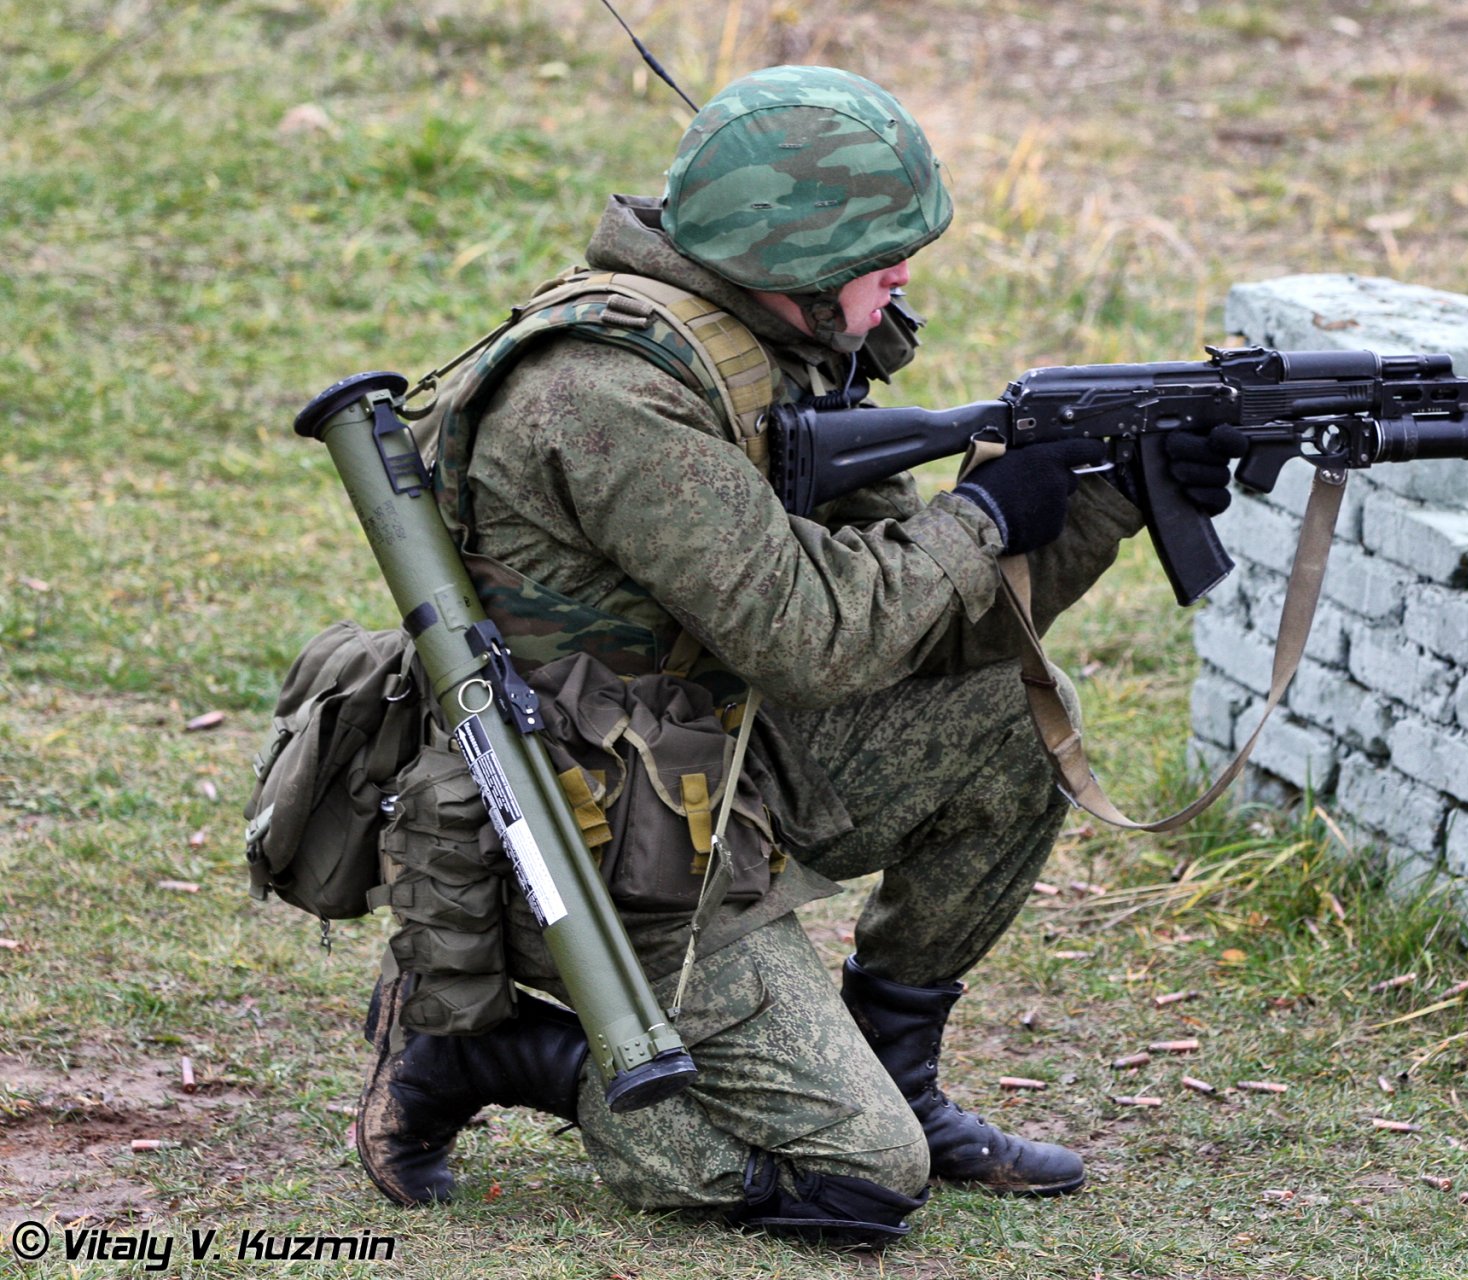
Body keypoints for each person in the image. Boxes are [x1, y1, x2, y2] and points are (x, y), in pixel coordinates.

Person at [353, 64, 1244, 1245]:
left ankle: (897, 1070)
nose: (905, 274)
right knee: (865, 1183)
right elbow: (820, 636)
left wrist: (1103, 500)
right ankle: (477, 1047)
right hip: (591, 849)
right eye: (882, 253)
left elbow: (920, 623)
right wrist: (981, 515)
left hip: (712, 766)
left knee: (1015, 716)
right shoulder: (607, 394)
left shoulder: (766, 346)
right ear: (790, 254)